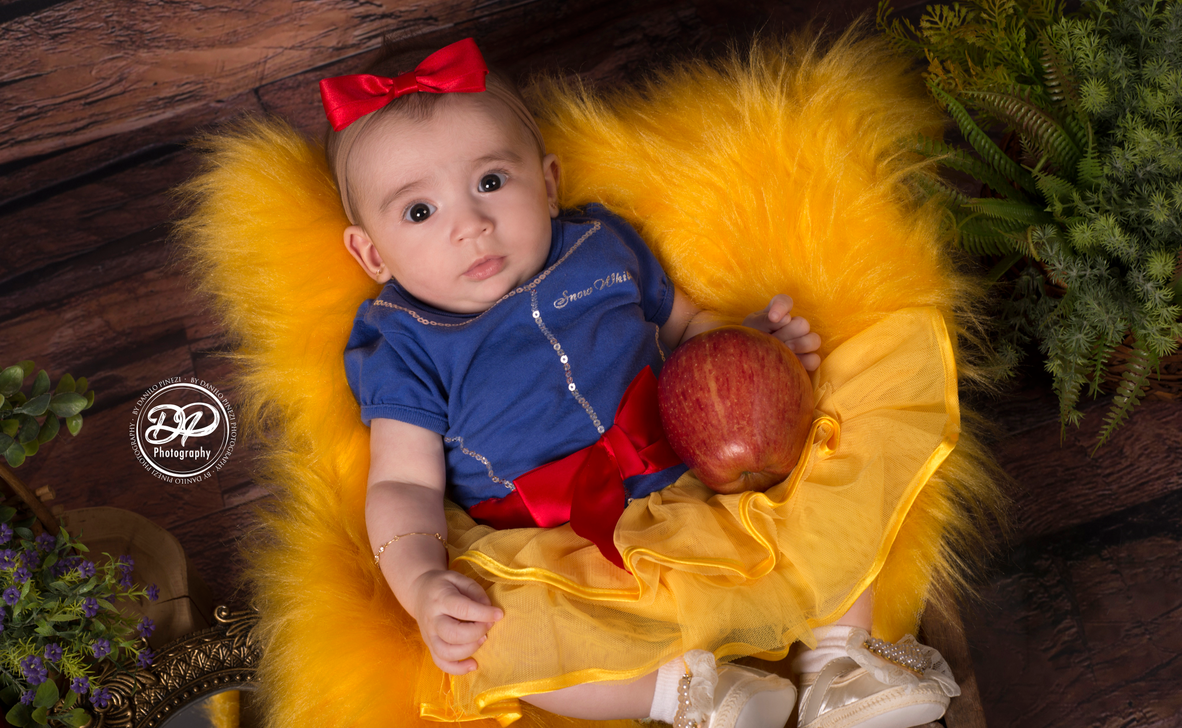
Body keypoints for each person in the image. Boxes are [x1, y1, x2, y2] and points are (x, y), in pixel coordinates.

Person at [325, 38, 961, 728]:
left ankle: (840, 665)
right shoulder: (403, 342)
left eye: (490, 182)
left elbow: (688, 327)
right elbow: (403, 485)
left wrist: (750, 354)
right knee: (493, 641)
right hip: (569, 553)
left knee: (851, 414)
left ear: (548, 181)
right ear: (370, 252)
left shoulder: (599, 243)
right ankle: (688, 696)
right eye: (420, 212)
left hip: (704, 475)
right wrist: (421, 584)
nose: (470, 226)